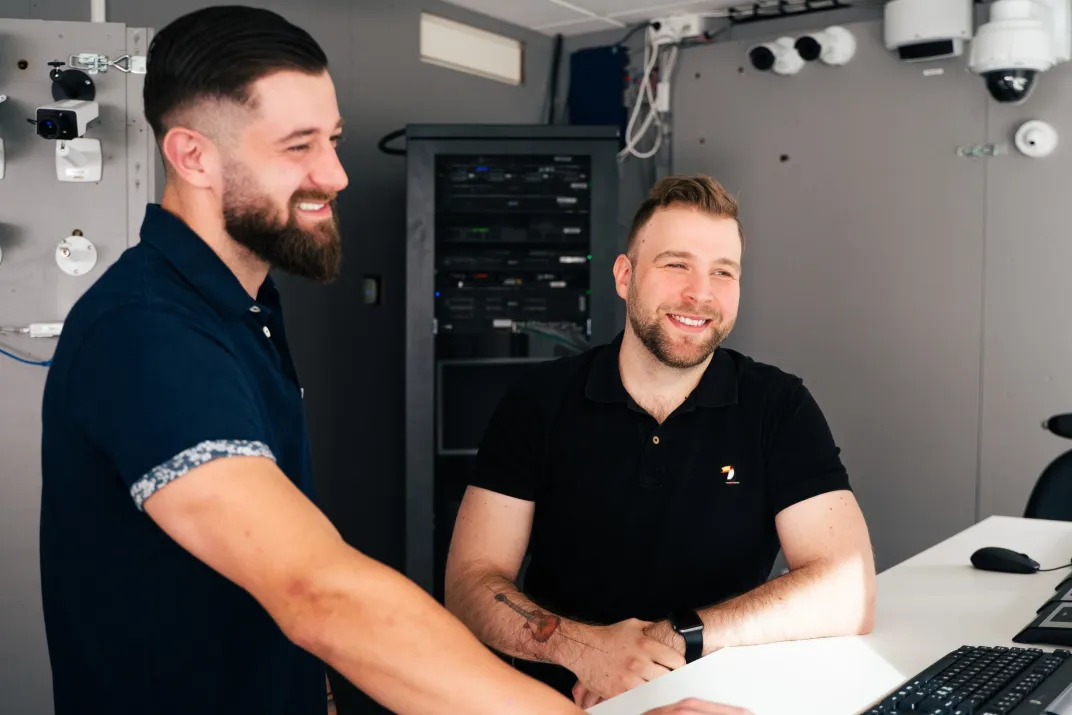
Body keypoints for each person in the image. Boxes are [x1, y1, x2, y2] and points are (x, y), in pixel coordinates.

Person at [37, 6, 752, 715]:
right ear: (193, 155)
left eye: (334, 139)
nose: (337, 173)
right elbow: (318, 591)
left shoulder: (243, 310)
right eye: (298, 147)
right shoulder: (147, 331)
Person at [444, 174, 878, 708]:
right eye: (677, 265)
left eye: (724, 272)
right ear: (625, 277)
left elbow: (847, 589)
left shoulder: (777, 406)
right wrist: (587, 651)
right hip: (563, 697)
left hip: (716, 699)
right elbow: (469, 583)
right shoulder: (539, 401)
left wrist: (671, 641)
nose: (701, 293)